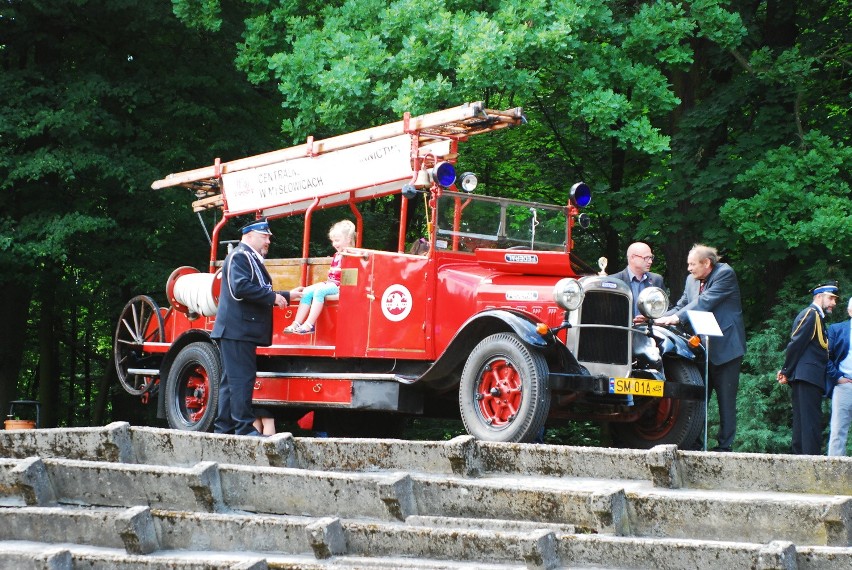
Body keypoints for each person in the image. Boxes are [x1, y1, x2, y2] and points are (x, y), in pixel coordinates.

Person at [655, 244, 747, 452]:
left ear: (707, 263)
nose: (689, 268)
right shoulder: (691, 280)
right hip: (700, 349)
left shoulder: (725, 274)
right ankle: (694, 444)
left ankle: (724, 447)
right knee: (697, 399)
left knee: (726, 401)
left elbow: (704, 303)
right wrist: (657, 318)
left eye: (692, 264)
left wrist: (674, 318)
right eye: (688, 264)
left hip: (726, 350)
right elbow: (683, 304)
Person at [212, 217, 290, 436]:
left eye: (269, 237)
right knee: (241, 379)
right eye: (264, 236)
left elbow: (255, 289)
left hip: (237, 329)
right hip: (238, 329)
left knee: (230, 381)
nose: (268, 241)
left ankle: (223, 429)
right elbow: (241, 287)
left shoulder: (247, 257)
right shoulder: (240, 256)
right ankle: (244, 429)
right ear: (249, 236)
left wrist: (288, 295)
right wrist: (274, 297)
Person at [777, 281, 838, 455]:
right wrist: (786, 371)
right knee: (809, 422)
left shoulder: (817, 317)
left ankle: (801, 459)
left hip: (809, 376)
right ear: (819, 296)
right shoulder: (811, 314)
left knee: (804, 421)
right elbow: (796, 344)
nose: (834, 303)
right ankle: (811, 464)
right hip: (807, 376)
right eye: (831, 298)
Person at [284, 219, 356, 334]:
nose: (334, 244)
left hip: (340, 286)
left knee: (320, 291)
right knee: (306, 291)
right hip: (331, 283)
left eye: (337, 240)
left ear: (348, 239)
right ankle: (296, 323)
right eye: (333, 241)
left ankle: (309, 324)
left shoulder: (352, 255)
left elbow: (350, 279)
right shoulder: (337, 255)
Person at [609, 242, 665, 324]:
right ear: (632, 258)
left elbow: (665, 309)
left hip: (648, 333)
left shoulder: (656, 280)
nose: (650, 261)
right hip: (621, 333)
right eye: (646, 258)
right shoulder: (614, 281)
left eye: (651, 257)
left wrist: (650, 318)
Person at [827, 295, 852, 456]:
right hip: (844, 386)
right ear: (850, 311)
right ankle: (833, 476)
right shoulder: (837, 329)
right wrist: (837, 377)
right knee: (837, 432)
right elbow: (824, 357)